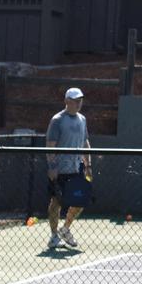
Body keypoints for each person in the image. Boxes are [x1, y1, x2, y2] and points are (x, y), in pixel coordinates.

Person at [45, 86, 92, 249]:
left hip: (77, 168)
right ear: (66, 101)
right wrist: (52, 166)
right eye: (75, 100)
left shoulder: (82, 119)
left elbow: (85, 142)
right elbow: (50, 145)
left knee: (80, 201)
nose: (78, 103)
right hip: (60, 170)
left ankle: (65, 229)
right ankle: (53, 236)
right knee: (56, 202)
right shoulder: (57, 120)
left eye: (80, 100)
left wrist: (88, 165)